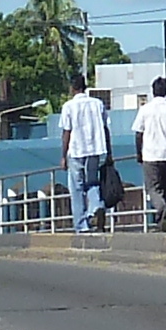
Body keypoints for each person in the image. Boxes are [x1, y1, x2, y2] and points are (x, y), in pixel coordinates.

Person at [55, 76, 113, 233]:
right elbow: (106, 129)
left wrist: (63, 155)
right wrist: (109, 152)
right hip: (95, 149)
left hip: (76, 151)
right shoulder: (97, 104)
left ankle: (81, 224)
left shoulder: (68, 106)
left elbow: (67, 132)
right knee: (92, 182)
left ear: (72, 89)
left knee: (77, 187)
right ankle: (97, 206)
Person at [133, 74, 166, 229]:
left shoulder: (145, 109)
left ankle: (162, 209)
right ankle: (163, 222)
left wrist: (138, 153)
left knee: (153, 189)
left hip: (150, 154)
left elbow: (138, 133)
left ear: (153, 91)